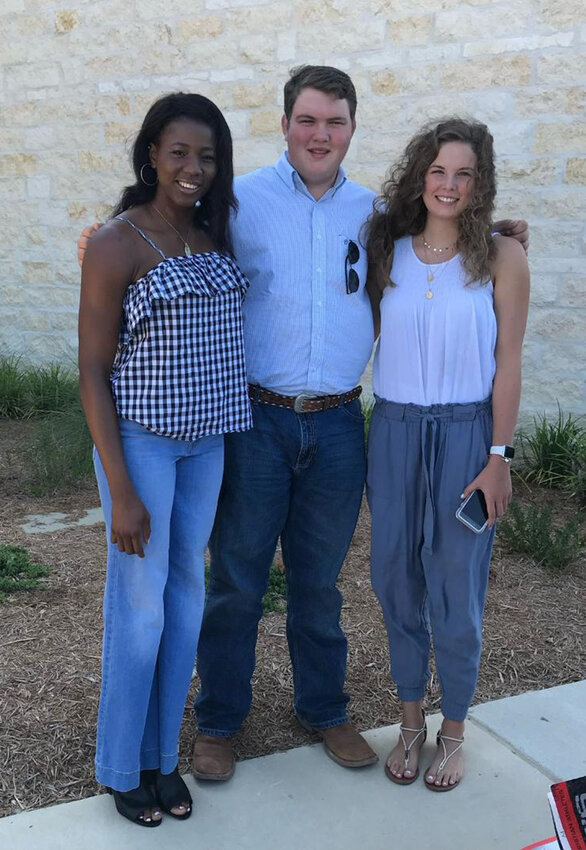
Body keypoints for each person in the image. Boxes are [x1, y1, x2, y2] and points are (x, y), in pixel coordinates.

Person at [77, 66, 528, 783]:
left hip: (342, 424)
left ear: (352, 128)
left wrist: (498, 232)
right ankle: (219, 720)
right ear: (286, 124)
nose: (321, 134)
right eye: (308, 120)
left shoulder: (378, 216)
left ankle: (325, 708)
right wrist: (103, 240)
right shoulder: (240, 201)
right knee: (235, 579)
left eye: (336, 121)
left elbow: (440, 237)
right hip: (255, 418)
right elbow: (167, 226)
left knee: (320, 582)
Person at [78, 92, 251, 826]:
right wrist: (119, 487)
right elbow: (91, 369)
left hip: (205, 447)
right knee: (141, 613)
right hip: (141, 447)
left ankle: (161, 757)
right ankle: (121, 766)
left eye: (206, 155)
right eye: (178, 152)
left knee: (185, 608)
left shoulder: (215, 236)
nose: (193, 167)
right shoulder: (117, 242)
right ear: (151, 154)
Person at [365, 117, 530, 791]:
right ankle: (410, 722)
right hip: (395, 431)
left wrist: (501, 457)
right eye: (438, 170)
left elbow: (509, 364)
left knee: (456, 587)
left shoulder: (501, 258)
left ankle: (454, 729)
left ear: (480, 182)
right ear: (419, 176)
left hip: (468, 437)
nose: (450, 185)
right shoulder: (386, 249)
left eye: (464, 173)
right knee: (395, 578)